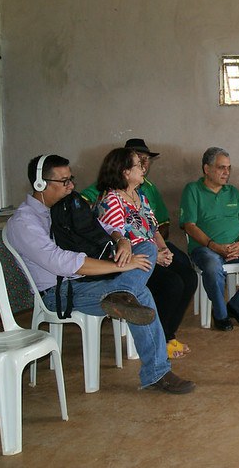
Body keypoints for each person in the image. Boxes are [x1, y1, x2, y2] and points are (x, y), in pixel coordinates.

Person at [6, 154, 194, 394]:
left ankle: (121, 294)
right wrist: (121, 266)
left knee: (146, 246)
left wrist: (121, 240)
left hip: (89, 282)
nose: (71, 186)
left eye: (70, 179)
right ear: (40, 185)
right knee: (142, 294)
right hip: (60, 292)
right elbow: (63, 263)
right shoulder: (25, 223)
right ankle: (157, 373)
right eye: (64, 181)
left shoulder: (62, 207)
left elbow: (98, 228)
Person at [96, 148, 197, 359]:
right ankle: (160, 339)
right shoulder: (112, 200)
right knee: (172, 284)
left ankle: (167, 334)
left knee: (188, 275)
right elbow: (117, 238)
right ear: (125, 172)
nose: (143, 168)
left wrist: (163, 250)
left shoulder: (138, 195)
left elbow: (153, 229)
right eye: (138, 165)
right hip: (131, 262)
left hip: (152, 252)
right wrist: (154, 256)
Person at [180, 147, 239, 331]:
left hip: (236, 246)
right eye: (221, 167)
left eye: (229, 168)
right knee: (212, 266)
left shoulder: (232, 192)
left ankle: (238, 308)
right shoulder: (192, 190)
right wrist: (214, 246)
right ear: (206, 169)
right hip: (206, 248)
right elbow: (189, 226)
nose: (226, 172)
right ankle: (221, 314)